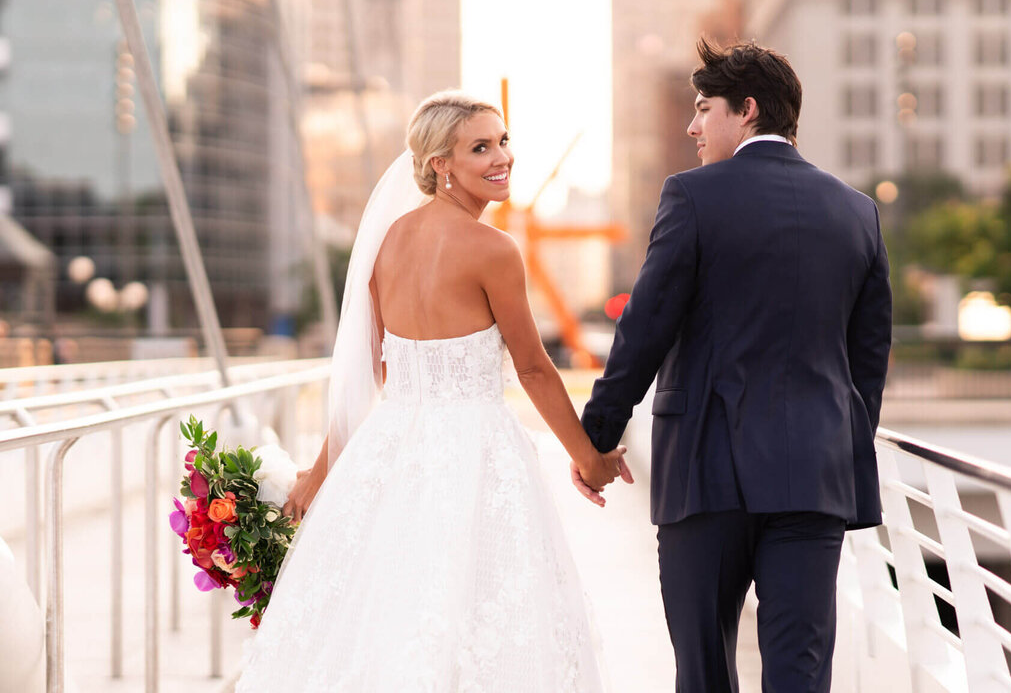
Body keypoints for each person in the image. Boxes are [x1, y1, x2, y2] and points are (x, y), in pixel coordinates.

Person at [236, 91, 629, 692]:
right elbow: (533, 369)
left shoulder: (385, 243)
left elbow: (366, 377)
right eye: (481, 147)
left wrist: (319, 476)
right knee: (478, 616)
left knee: (388, 615)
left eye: (503, 141)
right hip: (476, 454)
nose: (503, 157)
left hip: (389, 450)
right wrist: (589, 459)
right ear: (440, 163)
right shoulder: (493, 250)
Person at [577, 38, 892, 693]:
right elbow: (868, 359)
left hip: (705, 473)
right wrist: (842, 445)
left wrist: (597, 438)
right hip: (813, 476)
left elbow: (644, 329)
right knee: (799, 674)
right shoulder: (858, 213)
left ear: (746, 110)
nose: (693, 126)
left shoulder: (692, 197)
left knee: (704, 673)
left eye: (703, 109)